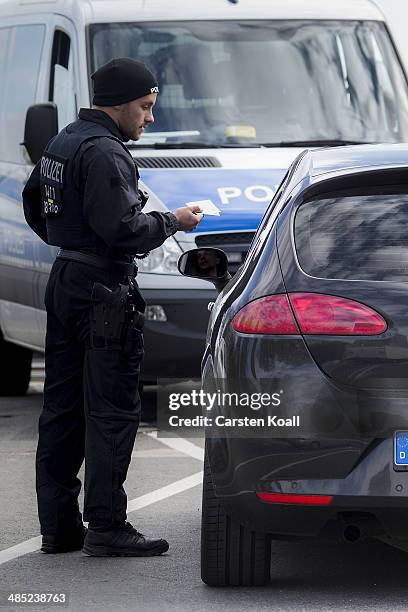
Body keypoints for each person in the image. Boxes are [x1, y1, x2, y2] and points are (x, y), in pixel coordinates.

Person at [22, 58, 203, 557]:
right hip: (103, 288)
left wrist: (71, 243)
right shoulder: (106, 152)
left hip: (67, 280)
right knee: (112, 410)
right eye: (145, 107)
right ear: (120, 104)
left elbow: (34, 200)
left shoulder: (64, 140)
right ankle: (106, 526)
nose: (149, 118)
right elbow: (123, 229)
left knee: (61, 407)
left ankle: (58, 529)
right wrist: (173, 221)